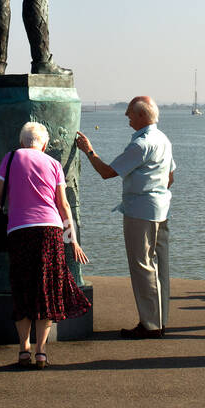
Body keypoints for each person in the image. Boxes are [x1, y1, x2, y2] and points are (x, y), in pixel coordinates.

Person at [0, 121, 90, 368]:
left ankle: (23, 348)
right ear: (44, 144)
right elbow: (63, 205)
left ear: (22, 141)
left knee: (22, 286)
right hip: (51, 231)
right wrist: (73, 239)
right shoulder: (54, 164)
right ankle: (41, 351)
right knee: (46, 289)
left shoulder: (11, 158)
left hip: (19, 230)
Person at [75, 96, 175, 339]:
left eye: (130, 113)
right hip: (161, 208)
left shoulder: (141, 144)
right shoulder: (163, 139)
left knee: (142, 266)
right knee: (160, 265)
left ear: (142, 116)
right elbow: (170, 176)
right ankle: (161, 319)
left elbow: (108, 172)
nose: (127, 117)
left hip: (140, 210)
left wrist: (89, 151)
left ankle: (150, 324)